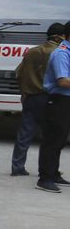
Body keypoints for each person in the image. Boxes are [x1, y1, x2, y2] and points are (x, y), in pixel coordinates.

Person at [11, 23, 64, 177]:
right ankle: (48, 170)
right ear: (60, 36)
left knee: (25, 133)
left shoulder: (32, 52)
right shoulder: (59, 53)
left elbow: (18, 73)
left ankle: (17, 167)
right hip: (49, 98)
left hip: (30, 96)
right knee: (50, 136)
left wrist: (24, 92)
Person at [36, 23, 70, 193]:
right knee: (52, 139)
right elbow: (62, 81)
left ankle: (54, 173)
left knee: (61, 139)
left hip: (66, 101)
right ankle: (45, 178)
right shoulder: (61, 54)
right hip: (59, 101)